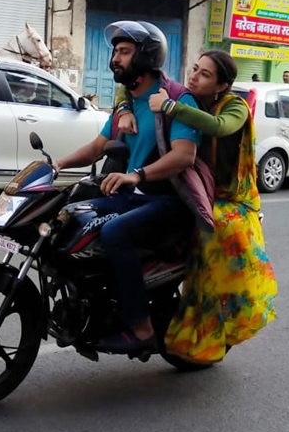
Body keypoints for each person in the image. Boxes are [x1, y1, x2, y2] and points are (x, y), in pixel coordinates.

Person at [53, 20, 211, 356]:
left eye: (124, 52)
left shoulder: (176, 101)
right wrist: (57, 165)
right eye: (115, 52)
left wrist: (136, 175)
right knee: (67, 218)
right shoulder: (127, 102)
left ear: (146, 56)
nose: (115, 59)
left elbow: (184, 156)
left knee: (115, 233)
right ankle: (91, 300)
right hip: (135, 197)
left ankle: (141, 328)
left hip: (169, 201)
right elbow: (98, 146)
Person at [117, 50, 278, 364]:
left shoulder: (235, 107)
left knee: (217, 227)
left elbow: (217, 126)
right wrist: (125, 107)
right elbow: (136, 84)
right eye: (194, 69)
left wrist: (170, 107)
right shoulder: (188, 96)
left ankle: (227, 308)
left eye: (205, 74)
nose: (194, 77)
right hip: (198, 189)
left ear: (222, 85)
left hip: (231, 198)